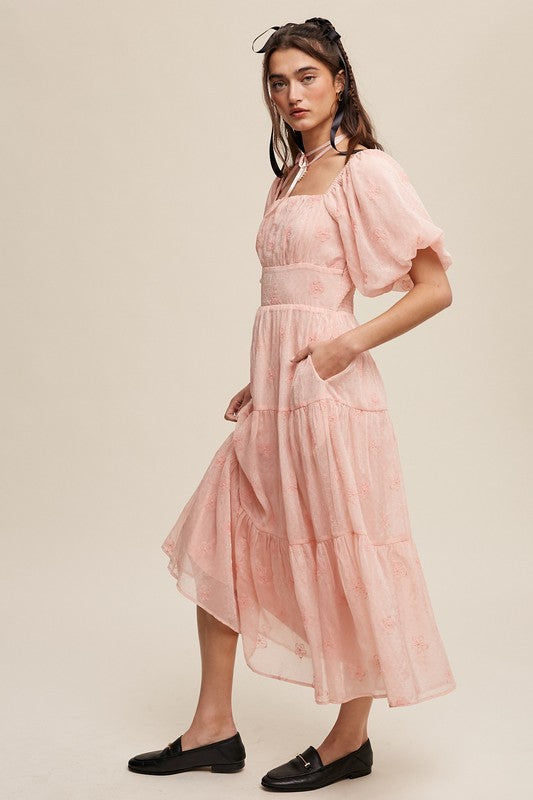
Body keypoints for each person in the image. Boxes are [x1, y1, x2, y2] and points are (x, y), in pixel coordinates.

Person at [127, 17, 457, 792]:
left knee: (346, 555)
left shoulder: (364, 171)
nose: (291, 93)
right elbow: (285, 302)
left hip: (332, 401)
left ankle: (349, 740)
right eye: (277, 81)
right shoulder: (287, 179)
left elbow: (435, 288)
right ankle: (213, 728)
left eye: (306, 77)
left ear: (339, 81)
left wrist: (343, 347)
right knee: (218, 539)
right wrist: (262, 376)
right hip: (277, 398)